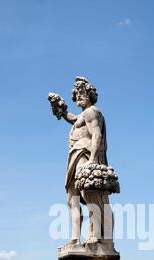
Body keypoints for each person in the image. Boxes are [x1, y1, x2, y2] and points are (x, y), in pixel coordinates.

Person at [48, 77, 114, 246]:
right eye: (76, 93)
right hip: (75, 155)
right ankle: (75, 238)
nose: (78, 96)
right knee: (72, 198)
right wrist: (62, 111)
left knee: (88, 192)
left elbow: (97, 135)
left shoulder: (93, 112)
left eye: (81, 92)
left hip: (85, 154)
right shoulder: (83, 115)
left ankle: (97, 234)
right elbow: (74, 120)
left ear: (90, 93)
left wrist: (92, 160)